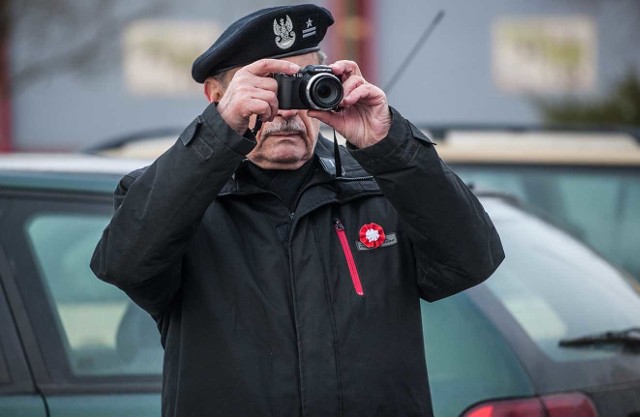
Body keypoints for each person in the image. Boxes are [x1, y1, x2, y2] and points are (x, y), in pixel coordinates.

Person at [91, 4, 504, 417]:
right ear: (217, 97)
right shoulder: (180, 199)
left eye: (302, 85)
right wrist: (219, 133)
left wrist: (389, 143)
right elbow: (125, 264)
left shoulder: (380, 186)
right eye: (268, 88)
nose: (286, 111)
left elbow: (472, 260)